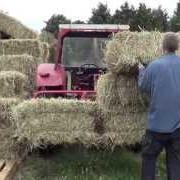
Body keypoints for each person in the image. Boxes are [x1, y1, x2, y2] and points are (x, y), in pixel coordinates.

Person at [138, 32, 180, 180]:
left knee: (149, 159)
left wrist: (141, 70)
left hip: (156, 127)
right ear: (177, 47)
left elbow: (143, 87)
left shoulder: (154, 65)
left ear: (163, 47)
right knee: (175, 163)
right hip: (178, 128)